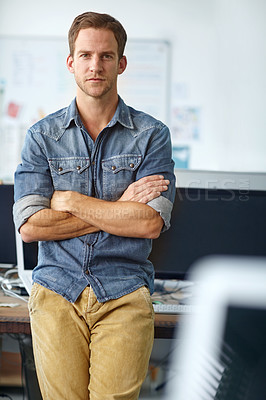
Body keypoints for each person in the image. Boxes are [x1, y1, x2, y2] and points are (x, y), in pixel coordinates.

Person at [13, 11, 175, 400]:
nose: (95, 65)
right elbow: (31, 226)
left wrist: (70, 202)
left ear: (121, 63)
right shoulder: (41, 137)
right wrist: (120, 206)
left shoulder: (152, 136)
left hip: (124, 291)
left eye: (105, 56)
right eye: (85, 55)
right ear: (71, 62)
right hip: (57, 292)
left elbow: (149, 224)